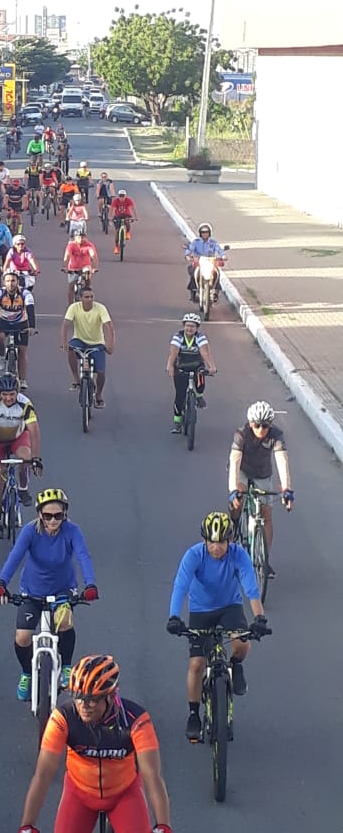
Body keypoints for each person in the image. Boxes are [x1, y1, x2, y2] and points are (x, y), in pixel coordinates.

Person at [18, 655, 172, 833]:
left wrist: (163, 825)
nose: (84, 705)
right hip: (79, 794)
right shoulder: (64, 718)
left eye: (92, 699)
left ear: (111, 695)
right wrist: (27, 825)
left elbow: (152, 776)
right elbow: (43, 774)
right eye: (78, 697)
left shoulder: (135, 720)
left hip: (124, 794)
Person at [166, 512, 271, 741]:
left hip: (229, 606)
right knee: (196, 664)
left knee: (242, 644)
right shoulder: (193, 555)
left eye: (221, 542)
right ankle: (194, 714)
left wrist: (259, 617)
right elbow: (180, 586)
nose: (216, 547)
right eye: (212, 542)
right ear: (205, 540)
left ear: (229, 541)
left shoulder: (238, 555)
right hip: (201, 611)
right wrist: (174, 616)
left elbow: (250, 587)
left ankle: (235, 664)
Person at [0, 488, 98, 696]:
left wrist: (91, 584)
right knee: (23, 637)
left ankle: (66, 667)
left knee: (65, 622)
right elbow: (15, 556)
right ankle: (26, 674)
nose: (53, 521)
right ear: (40, 514)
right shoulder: (30, 531)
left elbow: (83, 556)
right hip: (32, 592)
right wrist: (1, 582)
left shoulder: (72, 531)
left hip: (62, 590)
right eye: (48, 516)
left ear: (65, 514)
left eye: (58, 515)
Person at [228, 400, 293, 570]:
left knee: (266, 515)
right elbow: (234, 461)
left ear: (270, 425)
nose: (261, 430)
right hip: (242, 470)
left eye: (265, 426)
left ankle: (264, 559)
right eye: (257, 425)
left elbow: (282, 460)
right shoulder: (241, 434)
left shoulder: (276, 435)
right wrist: (233, 490)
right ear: (250, 423)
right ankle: (234, 522)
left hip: (263, 473)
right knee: (239, 497)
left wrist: (287, 489)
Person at [0, 373, 42, 534]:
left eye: (12, 394)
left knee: (26, 458)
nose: (8, 398)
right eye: (4, 394)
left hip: (17, 438)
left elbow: (34, 431)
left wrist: (36, 458)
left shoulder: (25, 404)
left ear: (18, 392)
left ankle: (22, 488)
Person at [61, 288, 114, 405]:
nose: (89, 299)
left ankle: (99, 394)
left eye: (91, 297)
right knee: (71, 349)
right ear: (80, 298)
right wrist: (64, 343)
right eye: (86, 297)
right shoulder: (74, 308)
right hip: (79, 340)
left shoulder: (100, 308)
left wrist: (110, 345)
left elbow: (109, 326)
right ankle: (76, 378)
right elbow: (65, 324)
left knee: (101, 372)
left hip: (97, 343)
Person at [166, 313, 217, 433]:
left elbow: (205, 353)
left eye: (193, 326)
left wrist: (212, 366)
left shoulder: (200, 337)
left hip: (196, 366)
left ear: (197, 328)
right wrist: (170, 366)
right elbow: (173, 353)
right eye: (187, 326)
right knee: (180, 395)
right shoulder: (178, 337)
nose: (189, 329)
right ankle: (177, 422)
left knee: (200, 384)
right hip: (181, 367)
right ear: (184, 326)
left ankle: (199, 396)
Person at [0, 271, 36, 388]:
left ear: (18, 282)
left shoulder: (26, 293)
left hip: (21, 323)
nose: (11, 284)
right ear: (4, 282)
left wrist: (31, 327)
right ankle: (2, 356)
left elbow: (30, 309)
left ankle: (22, 380)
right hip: (3, 322)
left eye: (13, 281)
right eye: (8, 281)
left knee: (22, 351)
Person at [185, 222, 226, 301]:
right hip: (199, 262)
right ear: (200, 233)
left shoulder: (213, 242)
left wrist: (223, 256)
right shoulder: (196, 242)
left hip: (210, 262)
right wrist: (187, 255)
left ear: (209, 233)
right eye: (203, 232)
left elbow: (219, 250)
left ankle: (216, 293)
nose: (205, 234)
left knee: (216, 273)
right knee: (193, 272)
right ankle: (193, 292)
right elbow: (190, 249)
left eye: (206, 232)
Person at [62, 230, 99, 304]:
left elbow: (93, 256)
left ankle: (88, 291)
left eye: (83, 237)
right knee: (71, 286)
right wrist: (66, 268)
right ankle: (70, 305)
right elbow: (67, 257)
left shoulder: (89, 245)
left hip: (85, 267)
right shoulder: (71, 245)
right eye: (79, 237)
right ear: (75, 238)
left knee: (87, 275)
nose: (81, 239)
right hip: (73, 268)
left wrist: (94, 268)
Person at [108, 189, 138, 254]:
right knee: (117, 230)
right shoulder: (115, 201)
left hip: (126, 215)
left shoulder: (128, 200)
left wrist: (135, 217)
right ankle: (116, 247)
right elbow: (111, 209)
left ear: (125, 196)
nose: (122, 197)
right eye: (120, 196)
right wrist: (110, 217)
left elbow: (133, 208)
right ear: (118, 196)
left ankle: (127, 232)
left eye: (123, 196)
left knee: (127, 221)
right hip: (118, 216)